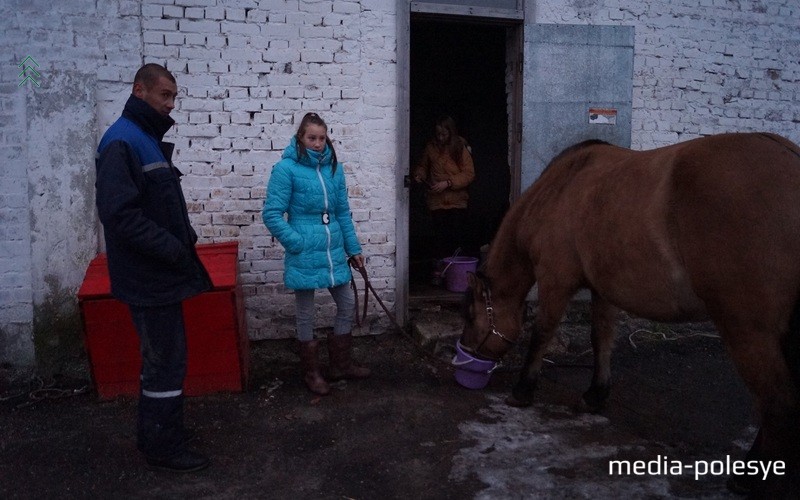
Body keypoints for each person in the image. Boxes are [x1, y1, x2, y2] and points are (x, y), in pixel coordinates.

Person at [95, 63, 212, 472]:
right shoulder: (122, 141)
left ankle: (159, 435)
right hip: (149, 278)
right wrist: (173, 249)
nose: (170, 103)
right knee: (165, 361)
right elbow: (119, 215)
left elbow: (157, 205)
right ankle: (163, 448)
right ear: (139, 90)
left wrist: (186, 237)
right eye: (165, 95)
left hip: (158, 275)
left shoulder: (143, 138)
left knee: (165, 359)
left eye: (174, 96)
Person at [262, 112, 370, 396]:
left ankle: (340, 365)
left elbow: (342, 212)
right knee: (306, 313)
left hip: (333, 248)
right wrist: (296, 242)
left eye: (322, 138)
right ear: (301, 138)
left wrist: (353, 248)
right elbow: (272, 214)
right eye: (312, 138)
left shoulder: (335, 168)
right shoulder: (286, 169)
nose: (318, 143)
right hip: (305, 249)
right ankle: (311, 372)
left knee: (346, 303)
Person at [412, 115, 475, 263]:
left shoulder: (459, 148)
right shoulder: (430, 147)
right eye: (438, 134)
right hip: (436, 201)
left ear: (451, 133)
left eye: (444, 134)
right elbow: (423, 166)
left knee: (456, 241)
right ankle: (441, 272)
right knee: (440, 241)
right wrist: (419, 175)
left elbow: (469, 173)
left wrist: (448, 183)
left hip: (457, 202)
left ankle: (456, 271)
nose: (440, 137)